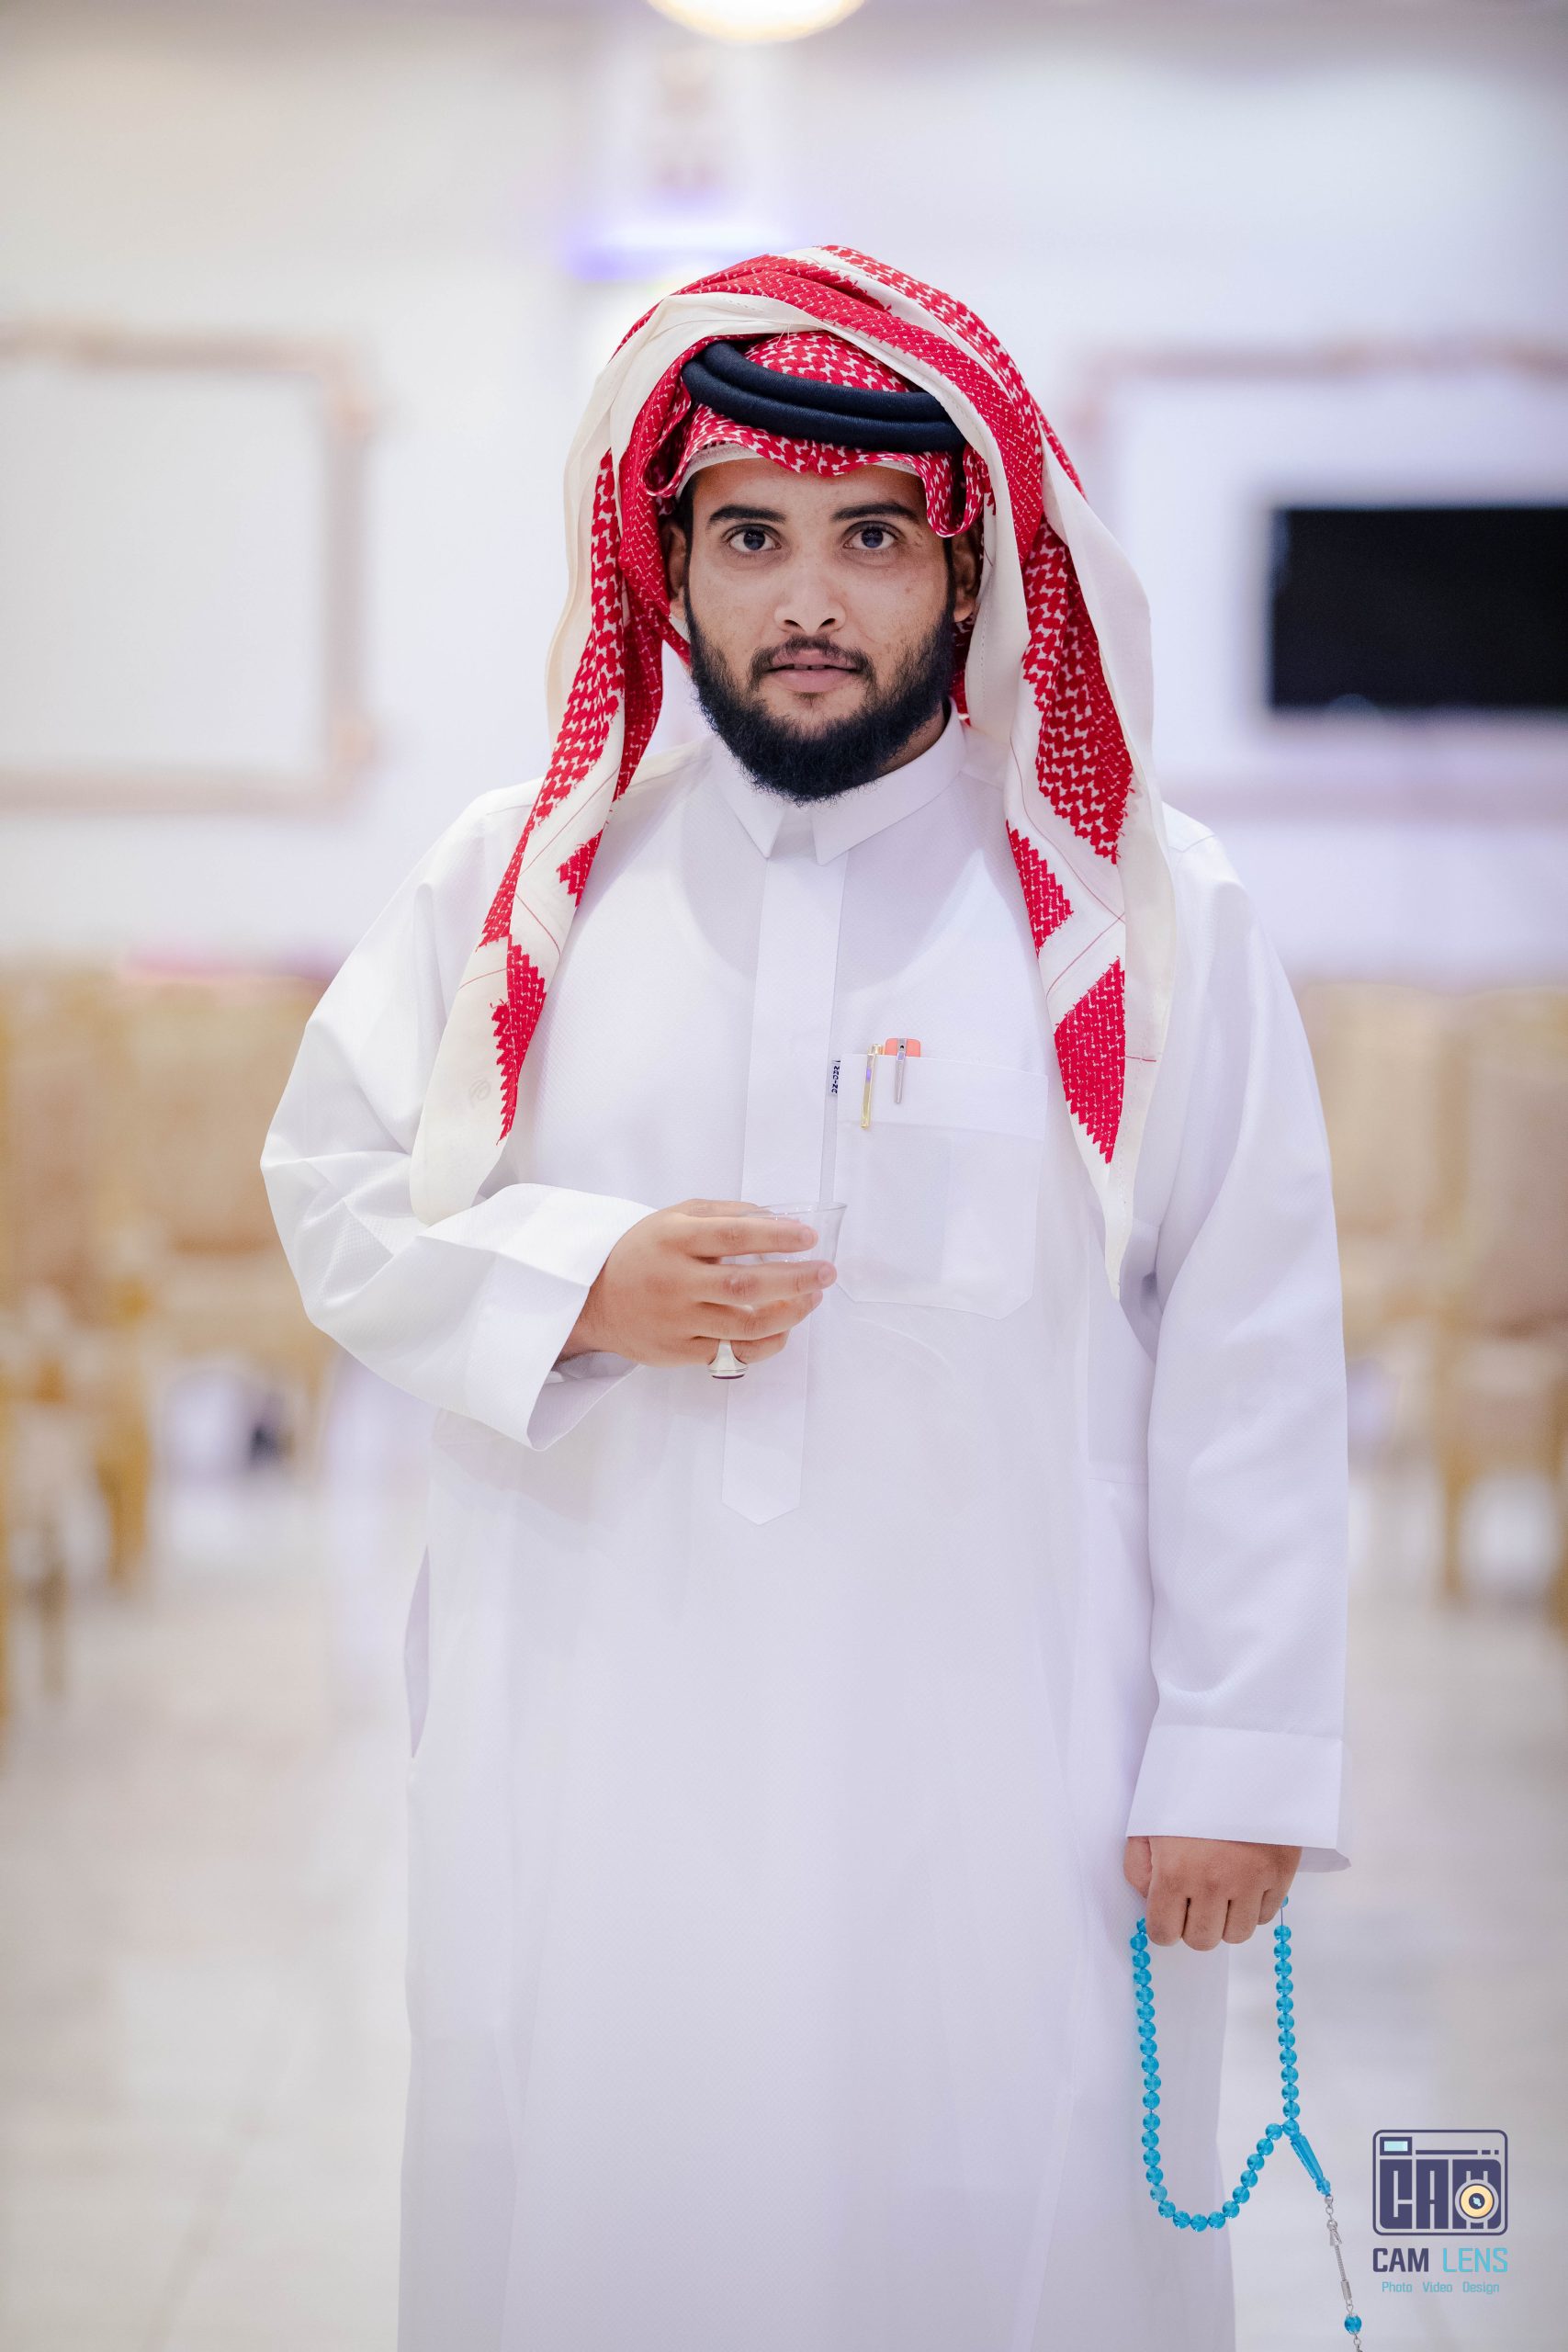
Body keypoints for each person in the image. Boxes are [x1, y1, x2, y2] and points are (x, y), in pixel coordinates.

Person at [262, 248, 1351, 2352]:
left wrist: (1235, 1746)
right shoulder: (516, 883)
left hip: (1009, 1767)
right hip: (599, 1738)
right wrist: (576, 1281)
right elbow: (331, 1188)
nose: (808, 597)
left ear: (966, 568)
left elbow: (1246, 1347)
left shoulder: (1146, 916)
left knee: (1001, 2217)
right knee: (605, 2208)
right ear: (667, 561)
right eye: (749, 536)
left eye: (868, 537)